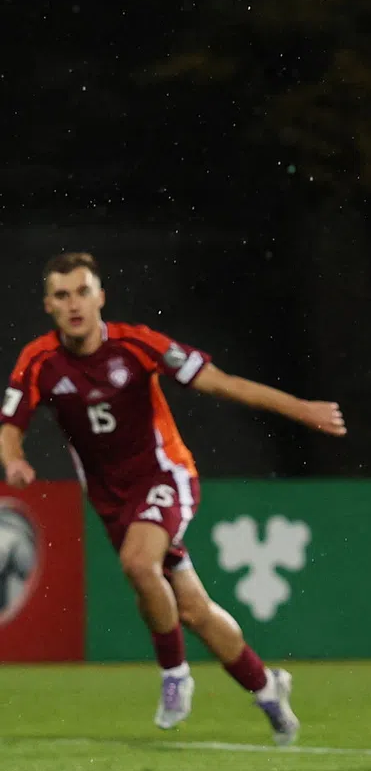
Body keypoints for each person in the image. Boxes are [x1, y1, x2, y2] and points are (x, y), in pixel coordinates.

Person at [0, 253, 346, 743]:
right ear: (48, 306)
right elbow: (10, 425)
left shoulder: (138, 345)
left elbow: (222, 383)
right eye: (62, 295)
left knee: (139, 565)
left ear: (101, 297)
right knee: (194, 610)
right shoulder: (39, 361)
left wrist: (302, 409)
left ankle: (174, 674)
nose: (74, 304)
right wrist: (13, 461)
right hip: (110, 500)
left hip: (166, 475)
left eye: (82, 291)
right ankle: (266, 686)